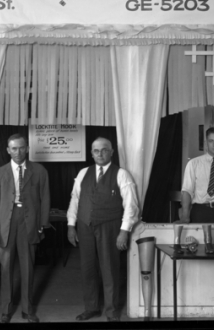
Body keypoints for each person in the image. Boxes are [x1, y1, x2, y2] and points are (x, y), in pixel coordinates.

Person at [67, 137, 139, 322]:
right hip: (85, 226)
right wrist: (71, 225)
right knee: (88, 269)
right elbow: (75, 200)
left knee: (109, 269)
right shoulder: (84, 173)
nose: (100, 154)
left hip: (110, 226)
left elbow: (131, 206)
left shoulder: (122, 174)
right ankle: (91, 308)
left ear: (111, 152)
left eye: (104, 150)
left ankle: (111, 311)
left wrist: (124, 231)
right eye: (96, 151)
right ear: (91, 153)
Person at [0, 133, 50, 323]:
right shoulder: (0, 172)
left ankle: (27, 310)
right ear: (8, 150)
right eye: (14, 148)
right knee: (5, 268)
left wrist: (42, 225)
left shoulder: (39, 171)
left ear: (27, 148)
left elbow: (45, 199)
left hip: (29, 223)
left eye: (21, 147)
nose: (18, 152)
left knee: (28, 267)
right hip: (6, 223)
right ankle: (6, 310)